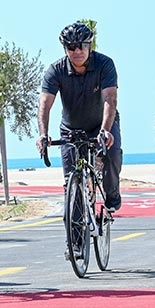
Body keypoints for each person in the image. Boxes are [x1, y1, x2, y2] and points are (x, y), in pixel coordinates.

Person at [36, 22, 123, 213]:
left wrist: (105, 131)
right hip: (71, 129)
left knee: (113, 153)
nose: (77, 51)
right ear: (65, 49)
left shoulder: (105, 64)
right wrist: (43, 134)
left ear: (90, 45)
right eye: (71, 47)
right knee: (70, 180)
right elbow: (45, 104)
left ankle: (112, 193)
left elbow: (110, 98)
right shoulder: (55, 70)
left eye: (82, 45)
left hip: (102, 124)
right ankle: (75, 234)